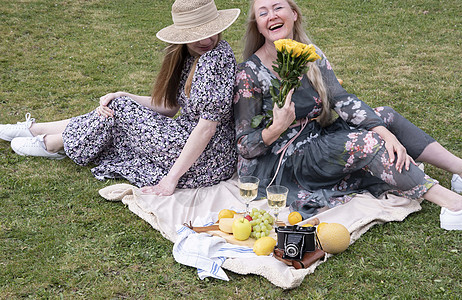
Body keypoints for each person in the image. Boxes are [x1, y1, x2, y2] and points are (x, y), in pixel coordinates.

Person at [233, 0, 462, 229]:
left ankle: (459, 170)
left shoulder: (311, 56)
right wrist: (276, 127)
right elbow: (245, 146)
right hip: (283, 164)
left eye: (278, 8)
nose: (271, 16)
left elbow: (341, 99)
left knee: (385, 116)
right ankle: (453, 205)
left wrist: (385, 132)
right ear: (259, 26)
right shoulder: (249, 73)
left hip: (313, 141)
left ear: (293, 14)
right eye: (263, 13)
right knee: (365, 143)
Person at [0, 0, 240, 196]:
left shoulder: (215, 59)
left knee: (119, 110)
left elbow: (207, 128)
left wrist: (170, 181)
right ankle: (36, 132)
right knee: (119, 105)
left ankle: (50, 141)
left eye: (211, 31)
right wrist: (125, 94)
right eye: (197, 35)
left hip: (208, 159)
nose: (207, 40)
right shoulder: (189, 56)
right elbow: (170, 107)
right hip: (191, 144)